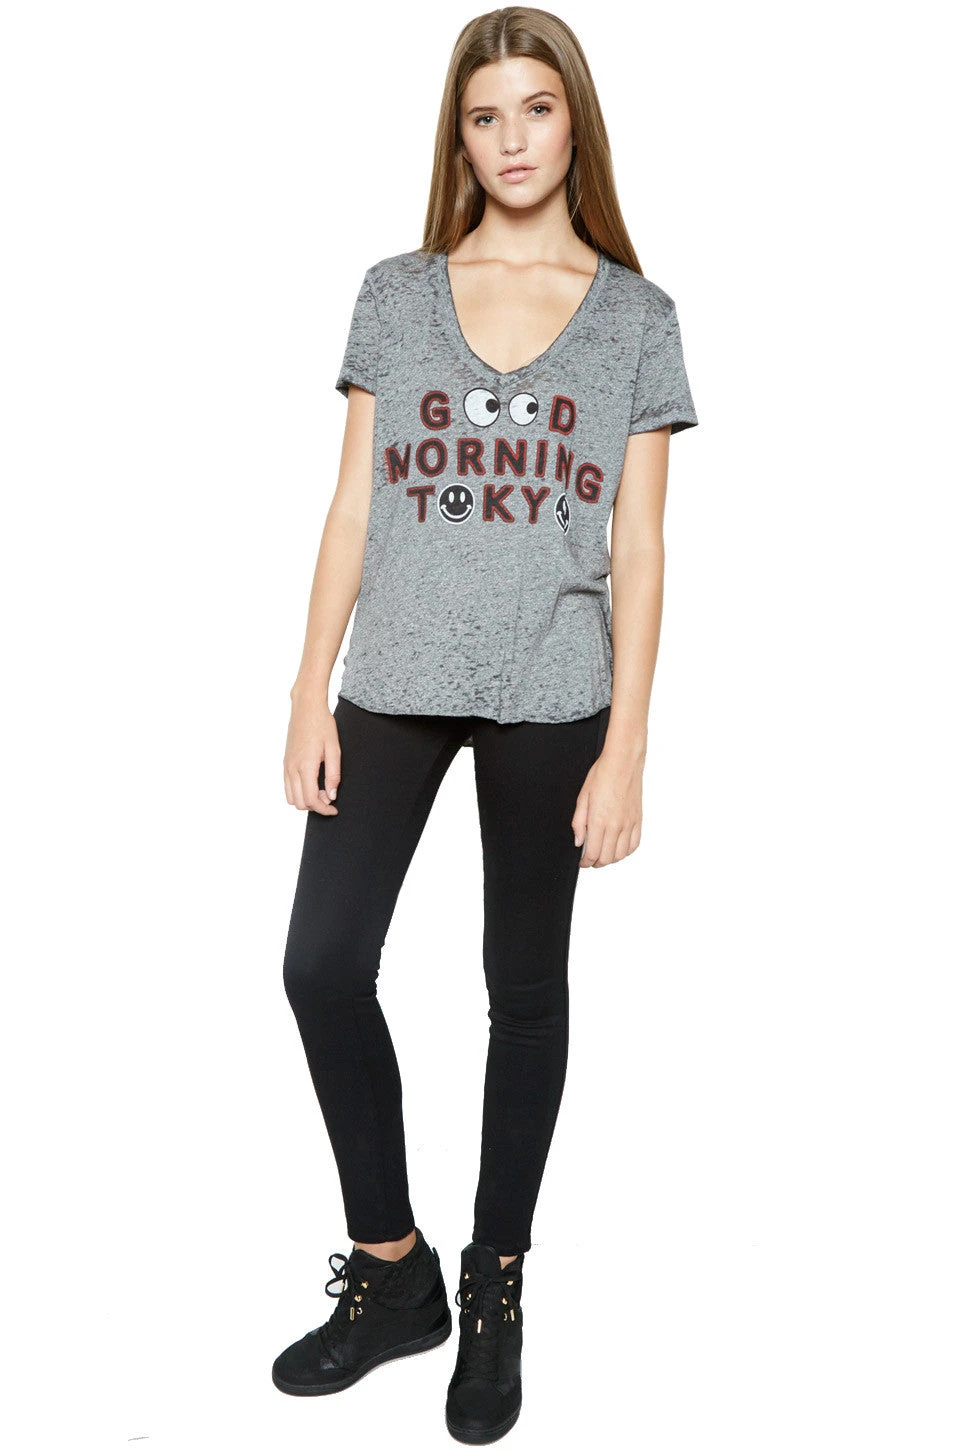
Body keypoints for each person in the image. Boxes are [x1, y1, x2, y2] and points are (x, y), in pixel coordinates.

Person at [272, 6, 698, 1442]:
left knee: (524, 989)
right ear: (458, 138)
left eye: (536, 108)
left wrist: (628, 745)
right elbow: (352, 502)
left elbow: (641, 546)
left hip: (553, 690)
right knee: (323, 964)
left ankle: (495, 1275)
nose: (511, 139)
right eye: (484, 115)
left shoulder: (636, 317)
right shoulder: (397, 294)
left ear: (576, 121)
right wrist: (306, 687)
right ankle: (392, 1271)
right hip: (391, 676)